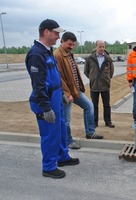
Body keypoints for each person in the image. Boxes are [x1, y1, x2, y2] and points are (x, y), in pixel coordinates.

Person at [25, 19, 79, 179]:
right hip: (46, 100)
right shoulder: (36, 54)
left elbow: (54, 77)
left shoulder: (47, 51)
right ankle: (48, 166)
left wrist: (61, 93)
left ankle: (62, 157)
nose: (58, 36)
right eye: (56, 33)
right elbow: (39, 85)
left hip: (56, 96)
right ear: (46, 32)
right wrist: (46, 108)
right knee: (50, 133)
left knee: (61, 128)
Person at [54, 31, 104, 150]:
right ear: (62, 41)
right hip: (65, 93)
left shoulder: (68, 54)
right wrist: (66, 93)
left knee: (89, 106)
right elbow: (58, 77)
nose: (71, 47)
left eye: (73, 45)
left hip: (75, 90)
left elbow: (74, 73)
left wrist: (79, 87)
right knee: (66, 119)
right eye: (69, 44)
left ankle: (90, 132)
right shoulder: (57, 55)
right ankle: (68, 141)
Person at [84, 40, 115, 128]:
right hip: (94, 86)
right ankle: (95, 122)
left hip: (105, 86)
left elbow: (111, 72)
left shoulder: (108, 58)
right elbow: (86, 71)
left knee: (107, 105)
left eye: (103, 46)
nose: (101, 48)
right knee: (94, 105)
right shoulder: (90, 58)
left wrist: (107, 79)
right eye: (100, 46)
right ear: (96, 47)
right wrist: (93, 78)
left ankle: (108, 122)